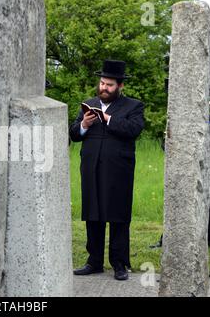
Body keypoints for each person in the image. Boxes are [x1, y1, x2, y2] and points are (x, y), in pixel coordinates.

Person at [69, 59, 145, 281]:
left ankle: (119, 263)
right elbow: (73, 134)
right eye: (102, 83)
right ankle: (94, 261)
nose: (104, 88)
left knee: (118, 215)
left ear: (120, 86)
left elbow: (134, 129)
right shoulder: (88, 104)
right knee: (93, 213)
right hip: (91, 168)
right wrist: (84, 124)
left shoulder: (134, 106)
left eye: (109, 85)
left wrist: (108, 119)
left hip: (119, 170)